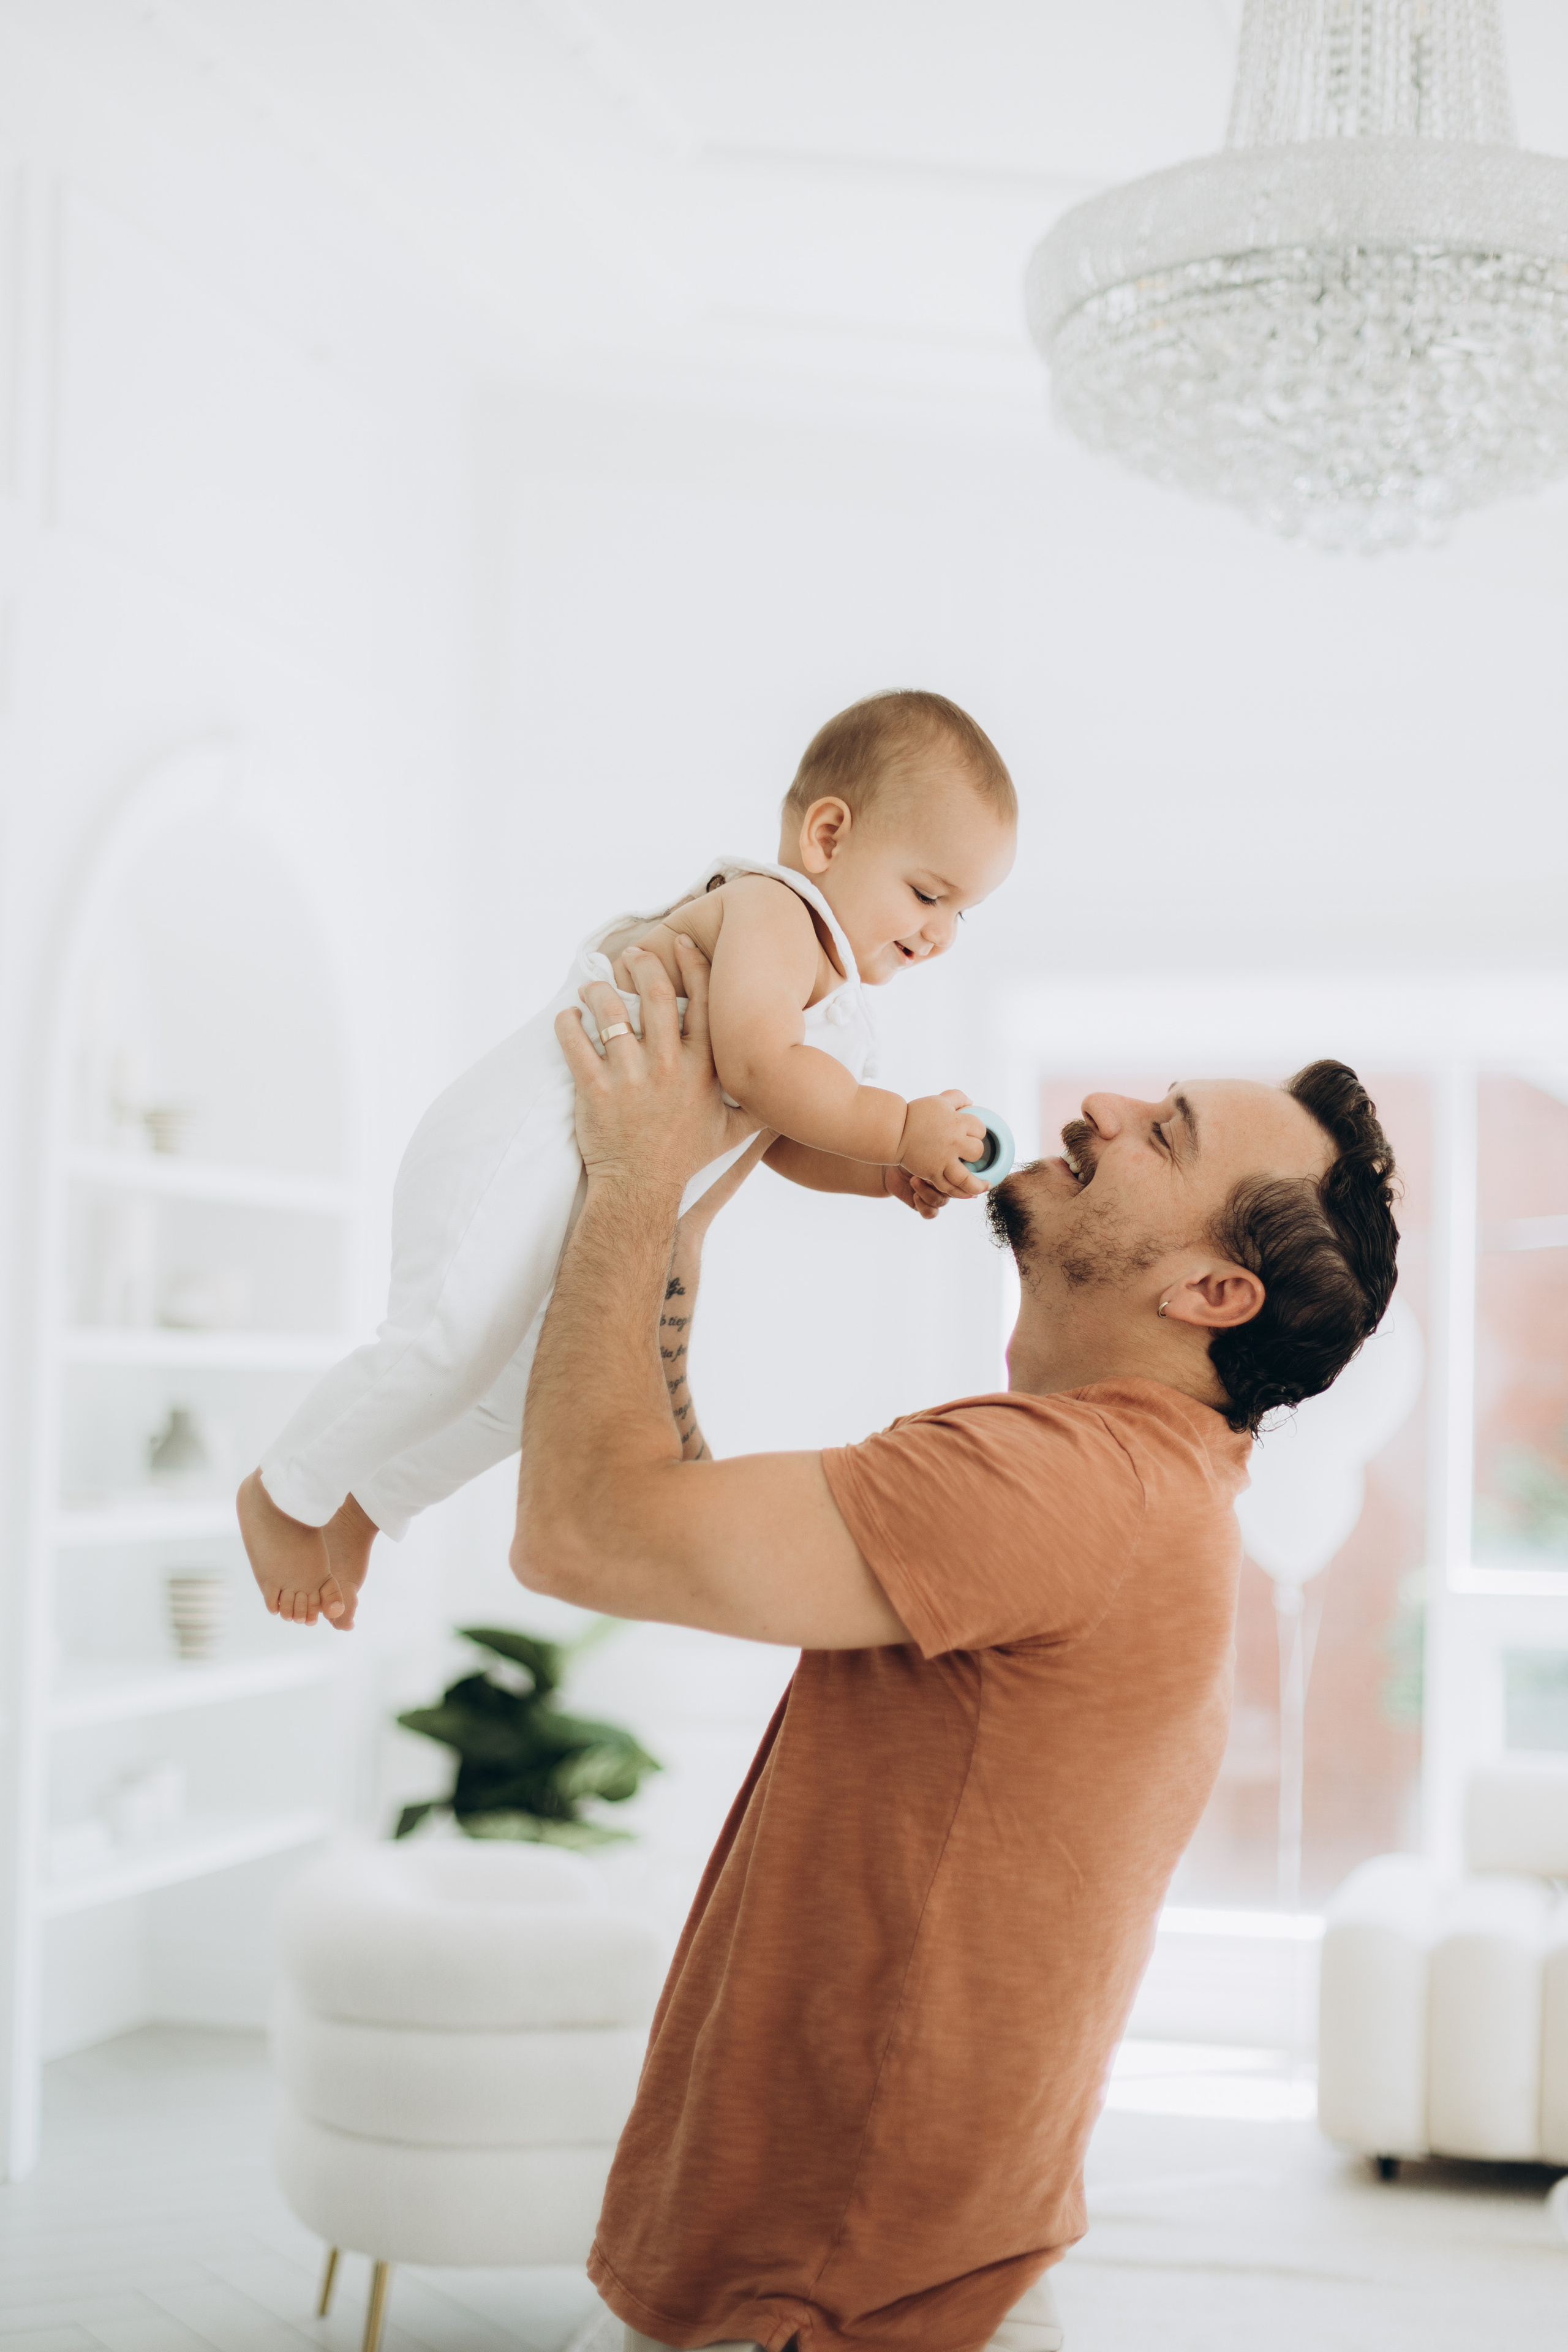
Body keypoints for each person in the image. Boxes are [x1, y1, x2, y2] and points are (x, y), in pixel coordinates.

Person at [511, 942, 1400, 2352]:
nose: (1099, 1109)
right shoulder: (1135, 1483)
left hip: (817, 2296)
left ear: (1211, 1295)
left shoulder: (1067, 1484)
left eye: (1161, 1133)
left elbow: (582, 1530)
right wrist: (680, 1206)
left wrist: (632, 1171)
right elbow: (654, 1497)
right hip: (889, 2271)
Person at [236, 690, 1017, 1631]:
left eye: (962, 916)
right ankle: (285, 1492)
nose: (937, 933)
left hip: (575, 1184)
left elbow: (777, 1143)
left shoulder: (837, 1010)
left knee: (517, 1397)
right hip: (515, 1148)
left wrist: (882, 1174)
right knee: (446, 1347)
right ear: (827, 836)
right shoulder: (772, 911)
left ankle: (369, 1503)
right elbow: (762, 1071)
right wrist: (897, 1130)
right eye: (929, 894)